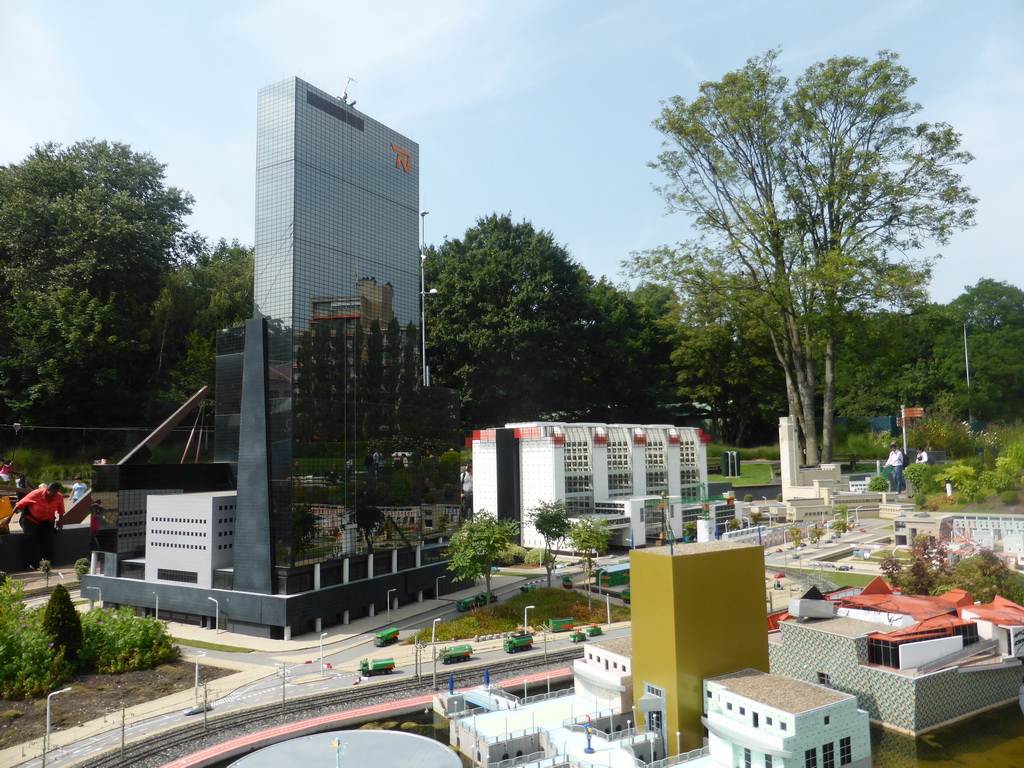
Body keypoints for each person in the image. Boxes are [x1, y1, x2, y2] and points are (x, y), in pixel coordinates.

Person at [14, 482, 66, 570]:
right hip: (30, 518)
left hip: (47, 519)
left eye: (56, 493)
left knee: (48, 540)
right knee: (30, 537)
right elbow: (19, 505)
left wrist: (60, 522)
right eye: (52, 493)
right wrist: (8, 518)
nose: (54, 495)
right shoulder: (35, 494)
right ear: (47, 490)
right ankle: (30, 564)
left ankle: (46, 563)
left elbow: (61, 510)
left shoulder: (59, 497)